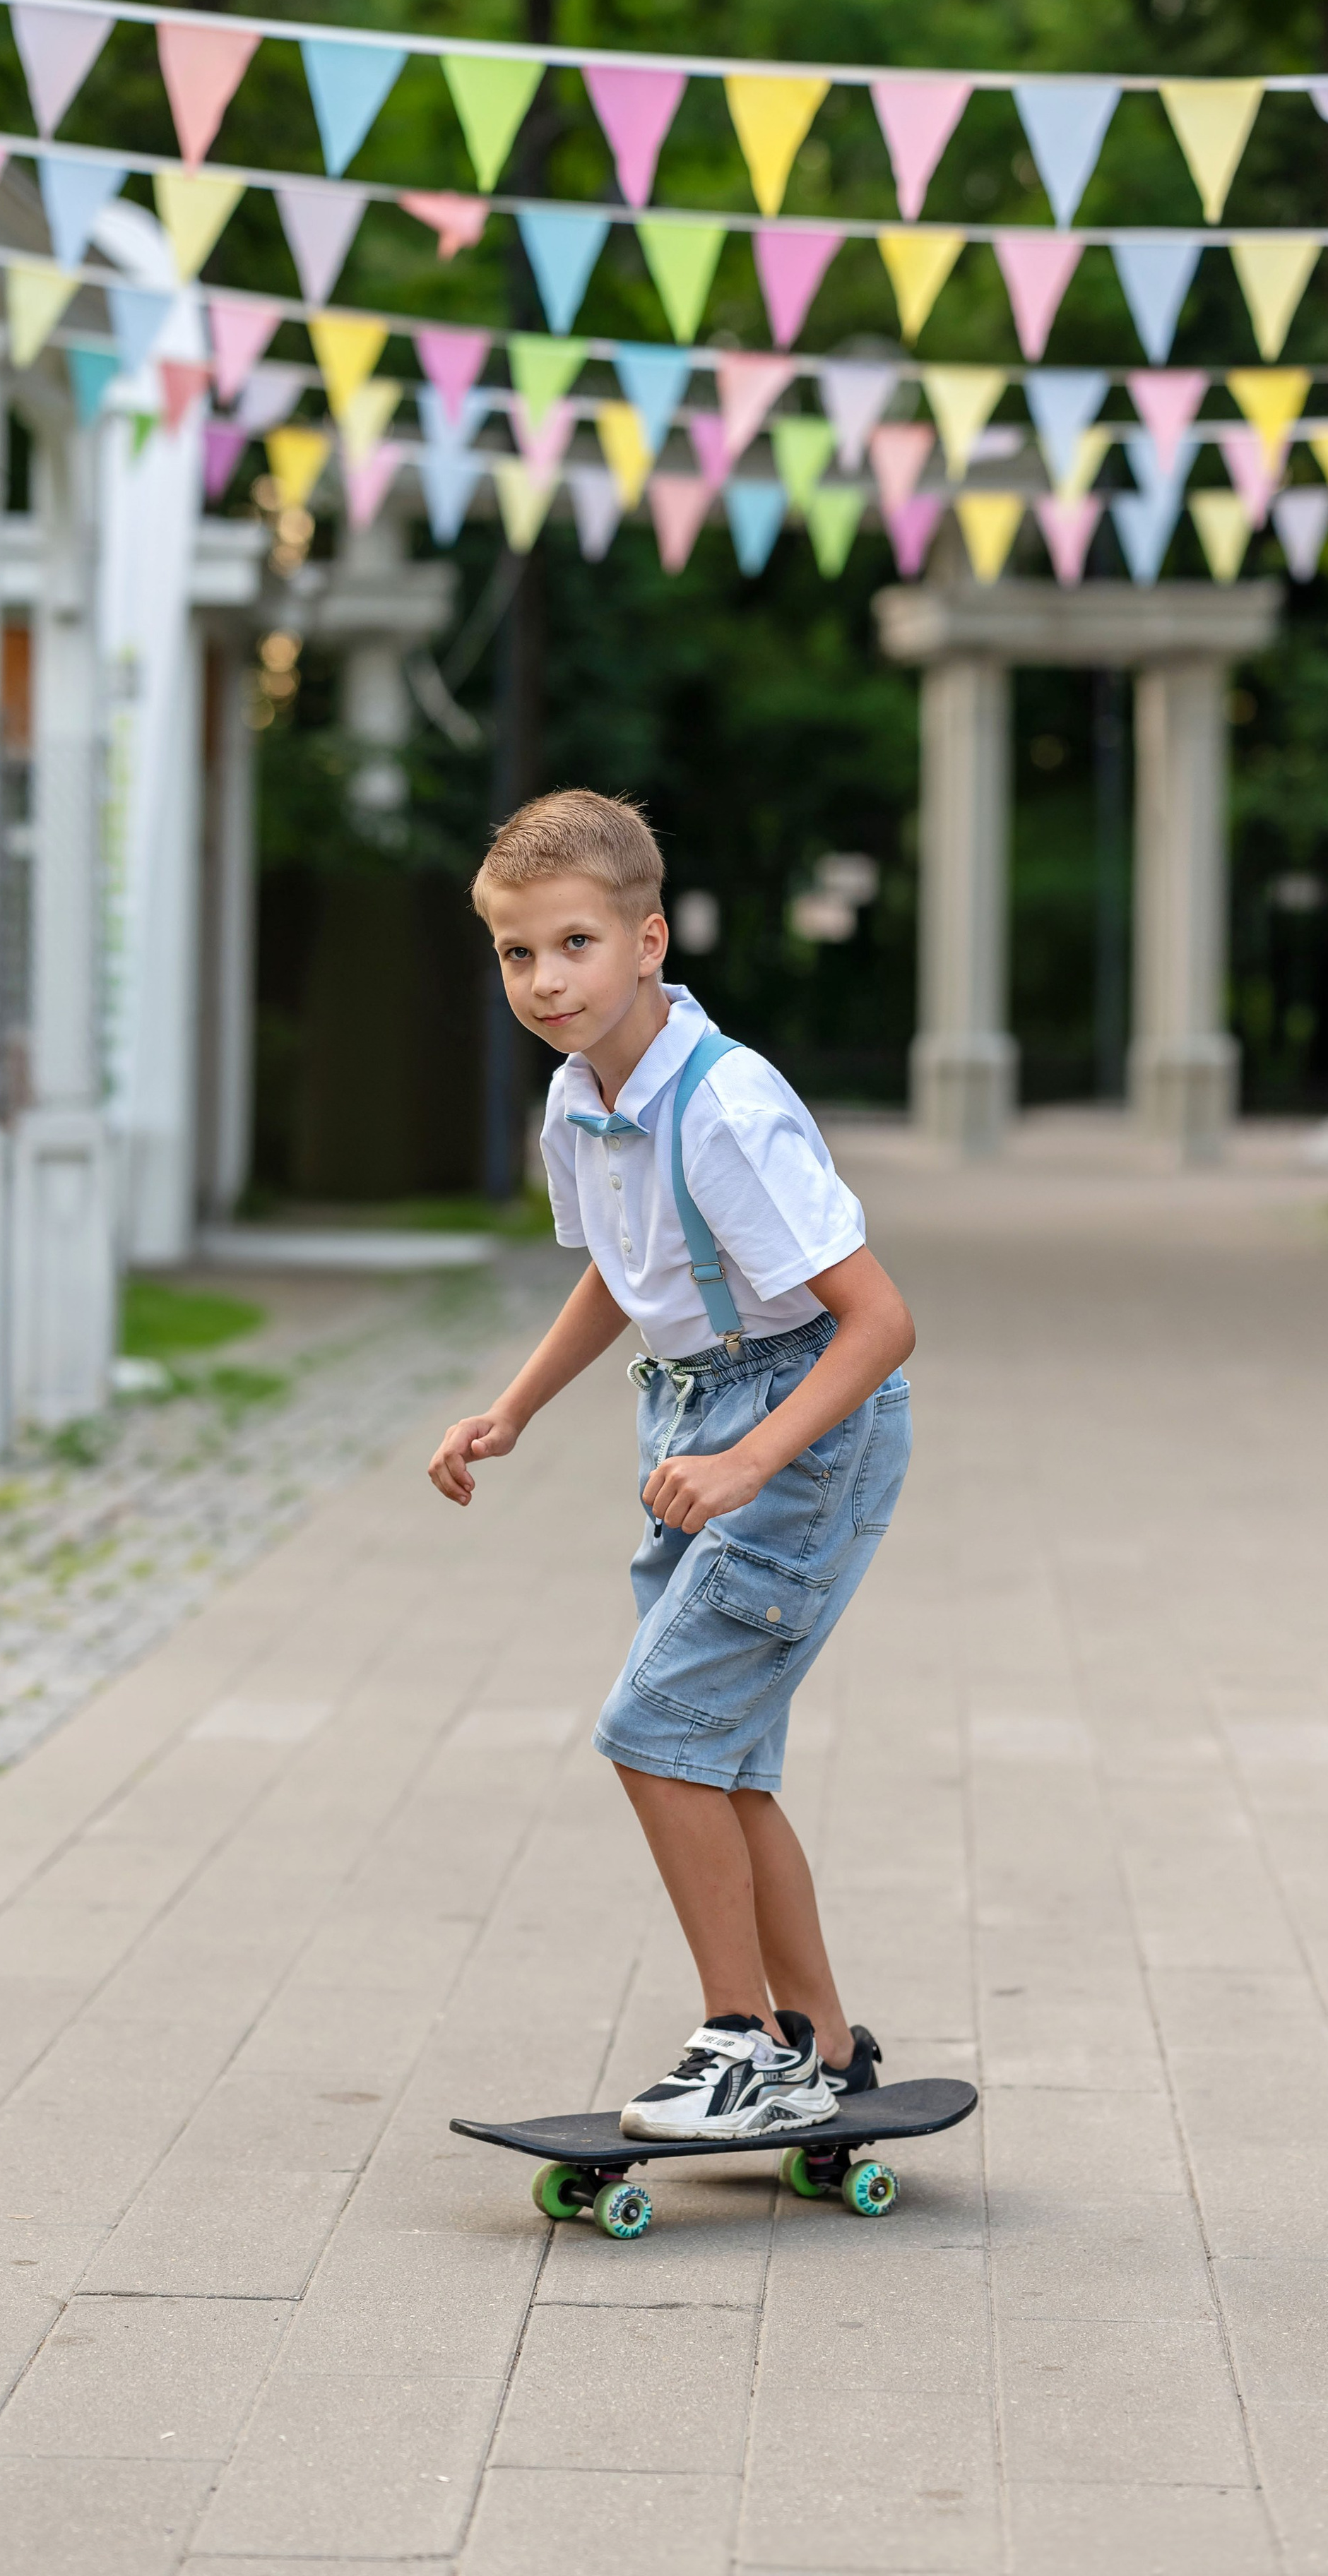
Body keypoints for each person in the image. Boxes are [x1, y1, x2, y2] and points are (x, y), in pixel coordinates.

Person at [429, 789, 914, 2140]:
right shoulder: (581, 1099)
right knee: (720, 1754)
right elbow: (622, 1278)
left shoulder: (725, 1107)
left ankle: (740, 2040)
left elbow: (879, 1323)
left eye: (574, 944)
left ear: (649, 942)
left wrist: (753, 1460)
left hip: (804, 1427)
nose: (544, 981)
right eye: (517, 955)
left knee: (655, 1733)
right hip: (694, 1423)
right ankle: (817, 2044)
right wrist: (513, 1409)